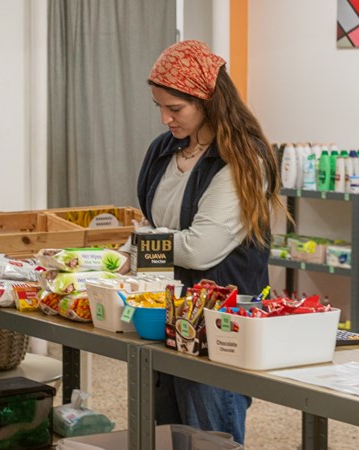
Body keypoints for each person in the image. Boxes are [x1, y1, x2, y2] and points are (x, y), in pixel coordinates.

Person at [136, 40, 288, 444]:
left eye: (175, 108)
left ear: (207, 101)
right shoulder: (164, 149)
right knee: (167, 429)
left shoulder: (242, 159)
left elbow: (200, 249)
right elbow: (155, 223)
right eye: (159, 107)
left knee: (211, 430)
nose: (165, 118)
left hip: (221, 322)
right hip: (173, 311)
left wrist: (139, 246)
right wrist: (146, 241)